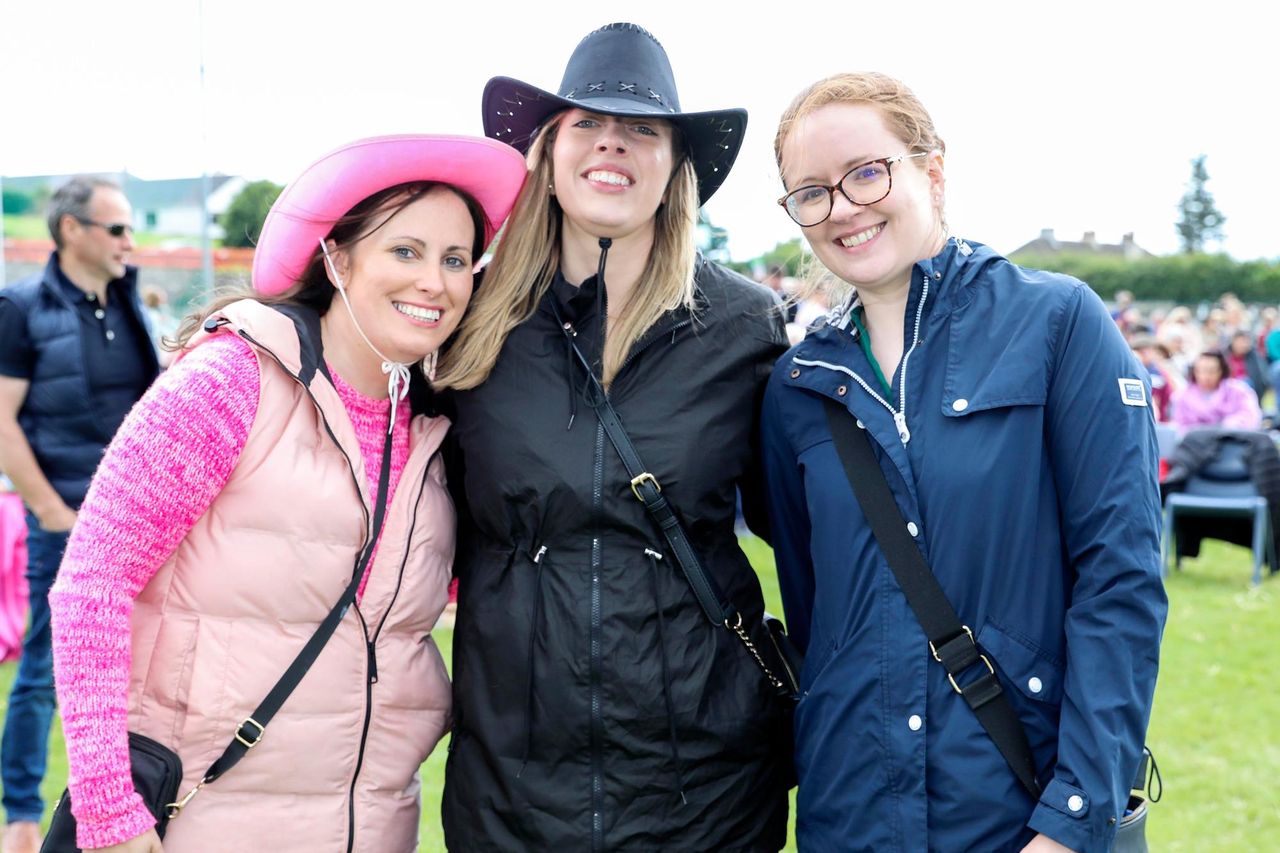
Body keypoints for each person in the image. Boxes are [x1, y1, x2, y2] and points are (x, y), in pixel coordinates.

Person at [46, 135, 526, 852]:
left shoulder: (439, 431)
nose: (435, 281)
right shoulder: (230, 381)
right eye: (406, 251)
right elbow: (93, 581)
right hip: (197, 824)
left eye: (455, 259)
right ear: (337, 257)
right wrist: (110, 808)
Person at [761, 72, 1167, 852]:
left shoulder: (1057, 324)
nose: (842, 206)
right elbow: (816, 614)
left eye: (866, 171)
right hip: (852, 816)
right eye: (811, 192)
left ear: (933, 171)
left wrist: (1073, 817)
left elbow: (1120, 581)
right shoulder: (796, 389)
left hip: (1017, 812)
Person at [436, 23, 792, 851]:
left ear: (675, 165)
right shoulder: (469, 321)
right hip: (511, 786)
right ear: (548, 154)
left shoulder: (744, 325)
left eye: (642, 130)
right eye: (586, 124)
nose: (613, 145)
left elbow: (812, 535)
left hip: (706, 785)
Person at [0, 177, 159, 853]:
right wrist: (50, 510)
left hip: (140, 523)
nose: (129, 241)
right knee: (43, 666)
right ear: (71, 230)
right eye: (116, 228)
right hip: (63, 517)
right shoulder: (22, 307)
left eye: (130, 229)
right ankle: (20, 813)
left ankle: (137, 798)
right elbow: (2, 419)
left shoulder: (131, 305)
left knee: (146, 663)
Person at [1172, 349, 1263, 433]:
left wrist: (1227, 426)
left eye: (1211, 371)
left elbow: (1250, 416)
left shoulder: (1239, 391)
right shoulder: (1182, 396)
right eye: (1201, 370)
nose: (1206, 376)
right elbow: (1179, 425)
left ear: (1221, 371)